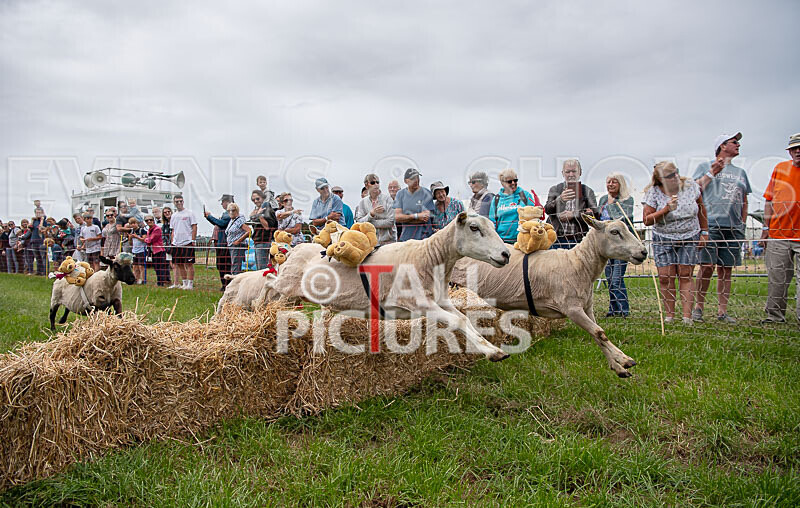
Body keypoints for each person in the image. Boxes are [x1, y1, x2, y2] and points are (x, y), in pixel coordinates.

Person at [692, 132, 751, 324]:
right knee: (707, 266)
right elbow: (694, 190)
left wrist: (742, 223)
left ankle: (722, 312)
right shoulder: (704, 166)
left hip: (733, 227)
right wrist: (712, 173)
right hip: (711, 225)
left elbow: (744, 199)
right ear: (722, 146)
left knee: (726, 269)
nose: (739, 145)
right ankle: (698, 307)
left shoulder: (741, 173)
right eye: (735, 142)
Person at [643, 161, 708, 325]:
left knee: (685, 275)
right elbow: (647, 220)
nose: (676, 177)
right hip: (664, 238)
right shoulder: (654, 193)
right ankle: (669, 316)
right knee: (665, 277)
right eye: (670, 176)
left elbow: (701, 208)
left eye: (676, 173)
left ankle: (687, 317)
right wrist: (666, 209)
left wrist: (704, 233)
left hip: (689, 236)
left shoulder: (691, 186)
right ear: (660, 180)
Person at [760, 133, 800, 324]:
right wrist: (765, 227)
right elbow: (768, 200)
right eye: (794, 148)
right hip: (778, 234)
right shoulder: (780, 169)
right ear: (790, 152)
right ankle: (774, 317)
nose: (798, 151)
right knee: (777, 277)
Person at [598, 173, 635, 317]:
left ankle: (623, 309)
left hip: (621, 245)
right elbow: (599, 218)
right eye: (608, 182)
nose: (610, 184)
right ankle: (613, 310)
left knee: (616, 278)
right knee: (609, 277)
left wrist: (612, 202)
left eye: (614, 182)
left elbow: (621, 218)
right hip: (607, 245)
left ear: (620, 184)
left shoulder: (627, 200)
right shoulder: (602, 199)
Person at [545, 159, 599, 249]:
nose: (571, 175)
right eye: (567, 172)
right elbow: (547, 210)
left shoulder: (587, 191)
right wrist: (560, 200)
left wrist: (574, 214)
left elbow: (595, 215)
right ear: (563, 173)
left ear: (580, 172)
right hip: (556, 239)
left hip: (579, 240)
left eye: (574, 171)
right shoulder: (555, 189)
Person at [488, 169, 537, 244]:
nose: (513, 183)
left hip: (522, 239)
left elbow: (534, 216)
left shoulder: (525, 195)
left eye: (515, 180)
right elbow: (492, 221)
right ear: (502, 183)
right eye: (509, 182)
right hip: (502, 241)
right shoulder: (497, 199)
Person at [394, 169, 435, 241]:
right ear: (406, 181)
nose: (416, 180)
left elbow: (425, 217)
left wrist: (405, 218)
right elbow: (397, 217)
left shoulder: (426, 193)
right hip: (406, 239)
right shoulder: (400, 194)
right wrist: (416, 216)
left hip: (424, 239)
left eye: (417, 177)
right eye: (413, 178)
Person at [355, 173, 396, 245]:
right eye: (372, 182)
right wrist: (371, 214)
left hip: (388, 242)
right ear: (366, 185)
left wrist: (370, 224)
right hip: (370, 244)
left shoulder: (388, 199)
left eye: (377, 182)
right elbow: (359, 222)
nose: (376, 184)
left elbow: (391, 222)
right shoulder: (362, 202)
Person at [169, 194, 198, 290]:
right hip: (176, 243)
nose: (179, 203)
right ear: (174, 203)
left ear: (183, 202)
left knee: (189, 264)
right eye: (177, 201)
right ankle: (184, 283)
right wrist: (172, 241)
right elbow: (173, 230)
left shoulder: (190, 213)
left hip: (187, 242)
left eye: (180, 201)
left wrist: (193, 240)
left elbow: (194, 226)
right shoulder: (174, 215)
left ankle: (190, 284)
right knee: (179, 264)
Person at [205, 194, 233, 290]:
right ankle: (225, 284)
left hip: (224, 244)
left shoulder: (229, 213)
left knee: (224, 264)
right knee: (222, 265)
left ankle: (226, 285)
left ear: (228, 202)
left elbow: (221, 223)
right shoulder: (227, 213)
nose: (221, 204)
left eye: (223, 202)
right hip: (222, 243)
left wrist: (209, 217)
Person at [133, 215, 169, 287]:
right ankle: (160, 281)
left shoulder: (157, 229)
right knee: (156, 267)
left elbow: (150, 240)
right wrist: (146, 239)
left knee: (160, 267)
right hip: (153, 251)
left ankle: (161, 282)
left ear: (153, 220)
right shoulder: (149, 229)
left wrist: (144, 239)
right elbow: (148, 239)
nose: (149, 221)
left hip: (159, 250)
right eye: (147, 220)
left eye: (150, 220)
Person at [249, 189, 277, 270]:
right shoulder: (258, 209)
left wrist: (259, 215)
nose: (255, 201)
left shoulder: (266, 208)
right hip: (259, 242)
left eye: (258, 199)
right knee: (260, 268)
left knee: (263, 269)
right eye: (253, 199)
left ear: (263, 198)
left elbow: (267, 227)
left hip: (265, 242)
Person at [226, 202, 251, 276]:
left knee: (236, 266)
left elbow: (249, 231)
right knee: (234, 265)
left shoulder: (239, 220)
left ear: (237, 210)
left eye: (233, 210)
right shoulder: (232, 220)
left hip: (237, 246)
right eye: (229, 211)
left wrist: (238, 241)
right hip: (232, 245)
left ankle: (236, 282)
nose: (231, 212)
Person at [129, 218, 147, 284]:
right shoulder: (131, 231)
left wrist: (137, 237)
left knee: (141, 266)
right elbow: (130, 243)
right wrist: (130, 238)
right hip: (134, 250)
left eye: (134, 223)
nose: (133, 225)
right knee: (134, 266)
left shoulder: (142, 231)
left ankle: (143, 280)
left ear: (137, 223)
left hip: (141, 250)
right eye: (131, 224)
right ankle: (136, 279)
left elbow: (144, 240)